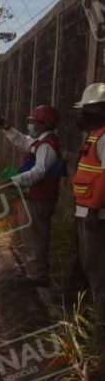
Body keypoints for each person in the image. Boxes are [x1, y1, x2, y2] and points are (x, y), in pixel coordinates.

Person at [0, 105, 62, 286]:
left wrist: (14, 181)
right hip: (34, 197)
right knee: (30, 236)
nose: (31, 125)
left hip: (39, 199)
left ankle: (37, 275)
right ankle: (34, 272)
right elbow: (23, 141)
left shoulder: (47, 146)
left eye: (34, 122)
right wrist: (8, 129)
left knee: (35, 237)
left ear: (44, 124)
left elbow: (39, 172)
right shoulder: (40, 142)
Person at [73, 83, 105, 316]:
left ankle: (99, 321)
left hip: (96, 215)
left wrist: (93, 211)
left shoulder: (104, 137)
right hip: (85, 211)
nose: (83, 113)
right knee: (88, 266)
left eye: (89, 108)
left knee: (96, 269)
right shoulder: (95, 135)